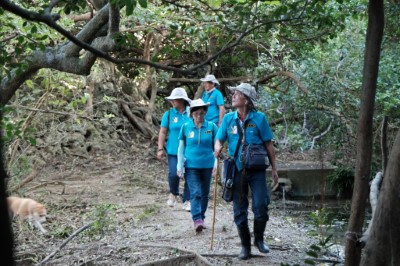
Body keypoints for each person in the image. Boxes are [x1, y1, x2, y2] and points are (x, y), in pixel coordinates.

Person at [214, 83, 279, 260]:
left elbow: (268, 145)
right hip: (236, 169)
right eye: (233, 93)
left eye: (237, 93)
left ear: (247, 100)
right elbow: (219, 139)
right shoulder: (228, 119)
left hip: (257, 170)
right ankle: (245, 246)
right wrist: (218, 148)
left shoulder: (260, 118)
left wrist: (274, 169)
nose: (233, 95)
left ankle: (259, 239)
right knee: (239, 210)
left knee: (261, 207)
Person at [177, 99, 218, 233]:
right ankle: (197, 220)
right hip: (191, 166)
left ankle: (202, 217)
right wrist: (179, 165)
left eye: (202, 113)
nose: (199, 116)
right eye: (196, 114)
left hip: (207, 165)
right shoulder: (185, 127)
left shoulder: (211, 127)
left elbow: (217, 148)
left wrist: (216, 164)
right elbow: (181, 147)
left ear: (205, 113)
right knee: (195, 192)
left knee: (205, 194)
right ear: (192, 114)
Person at [157, 87, 192, 211]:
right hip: (173, 150)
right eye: (171, 99)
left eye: (175, 99)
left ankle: (187, 200)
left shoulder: (191, 112)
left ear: (182, 100)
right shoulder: (169, 114)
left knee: (190, 175)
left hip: (190, 151)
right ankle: (173, 193)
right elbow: (162, 132)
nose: (172, 101)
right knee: (173, 174)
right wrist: (160, 148)